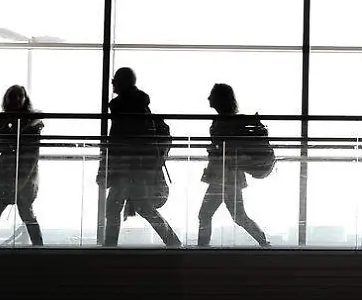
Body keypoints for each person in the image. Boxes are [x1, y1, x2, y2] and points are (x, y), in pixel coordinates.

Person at [100, 67, 180, 248]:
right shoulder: (141, 106)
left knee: (114, 207)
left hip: (127, 168)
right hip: (141, 168)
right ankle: (173, 243)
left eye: (115, 80)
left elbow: (116, 141)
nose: (112, 83)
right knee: (143, 207)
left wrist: (106, 168)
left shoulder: (122, 108)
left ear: (121, 83)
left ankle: (109, 247)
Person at [196, 82, 270, 248]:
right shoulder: (232, 121)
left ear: (219, 99)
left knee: (206, 214)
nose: (209, 98)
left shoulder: (223, 122)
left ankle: (202, 249)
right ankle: (263, 241)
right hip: (229, 174)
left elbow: (224, 148)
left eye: (212, 95)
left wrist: (213, 150)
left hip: (223, 175)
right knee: (238, 216)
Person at [0, 84, 44, 246]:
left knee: (1, 213)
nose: (16, 100)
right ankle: (39, 248)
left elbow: (27, 154)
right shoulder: (25, 123)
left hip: (18, 174)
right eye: (14, 97)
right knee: (23, 213)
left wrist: (6, 132)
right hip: (18, 175)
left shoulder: (28, 125)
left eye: (18, 96)